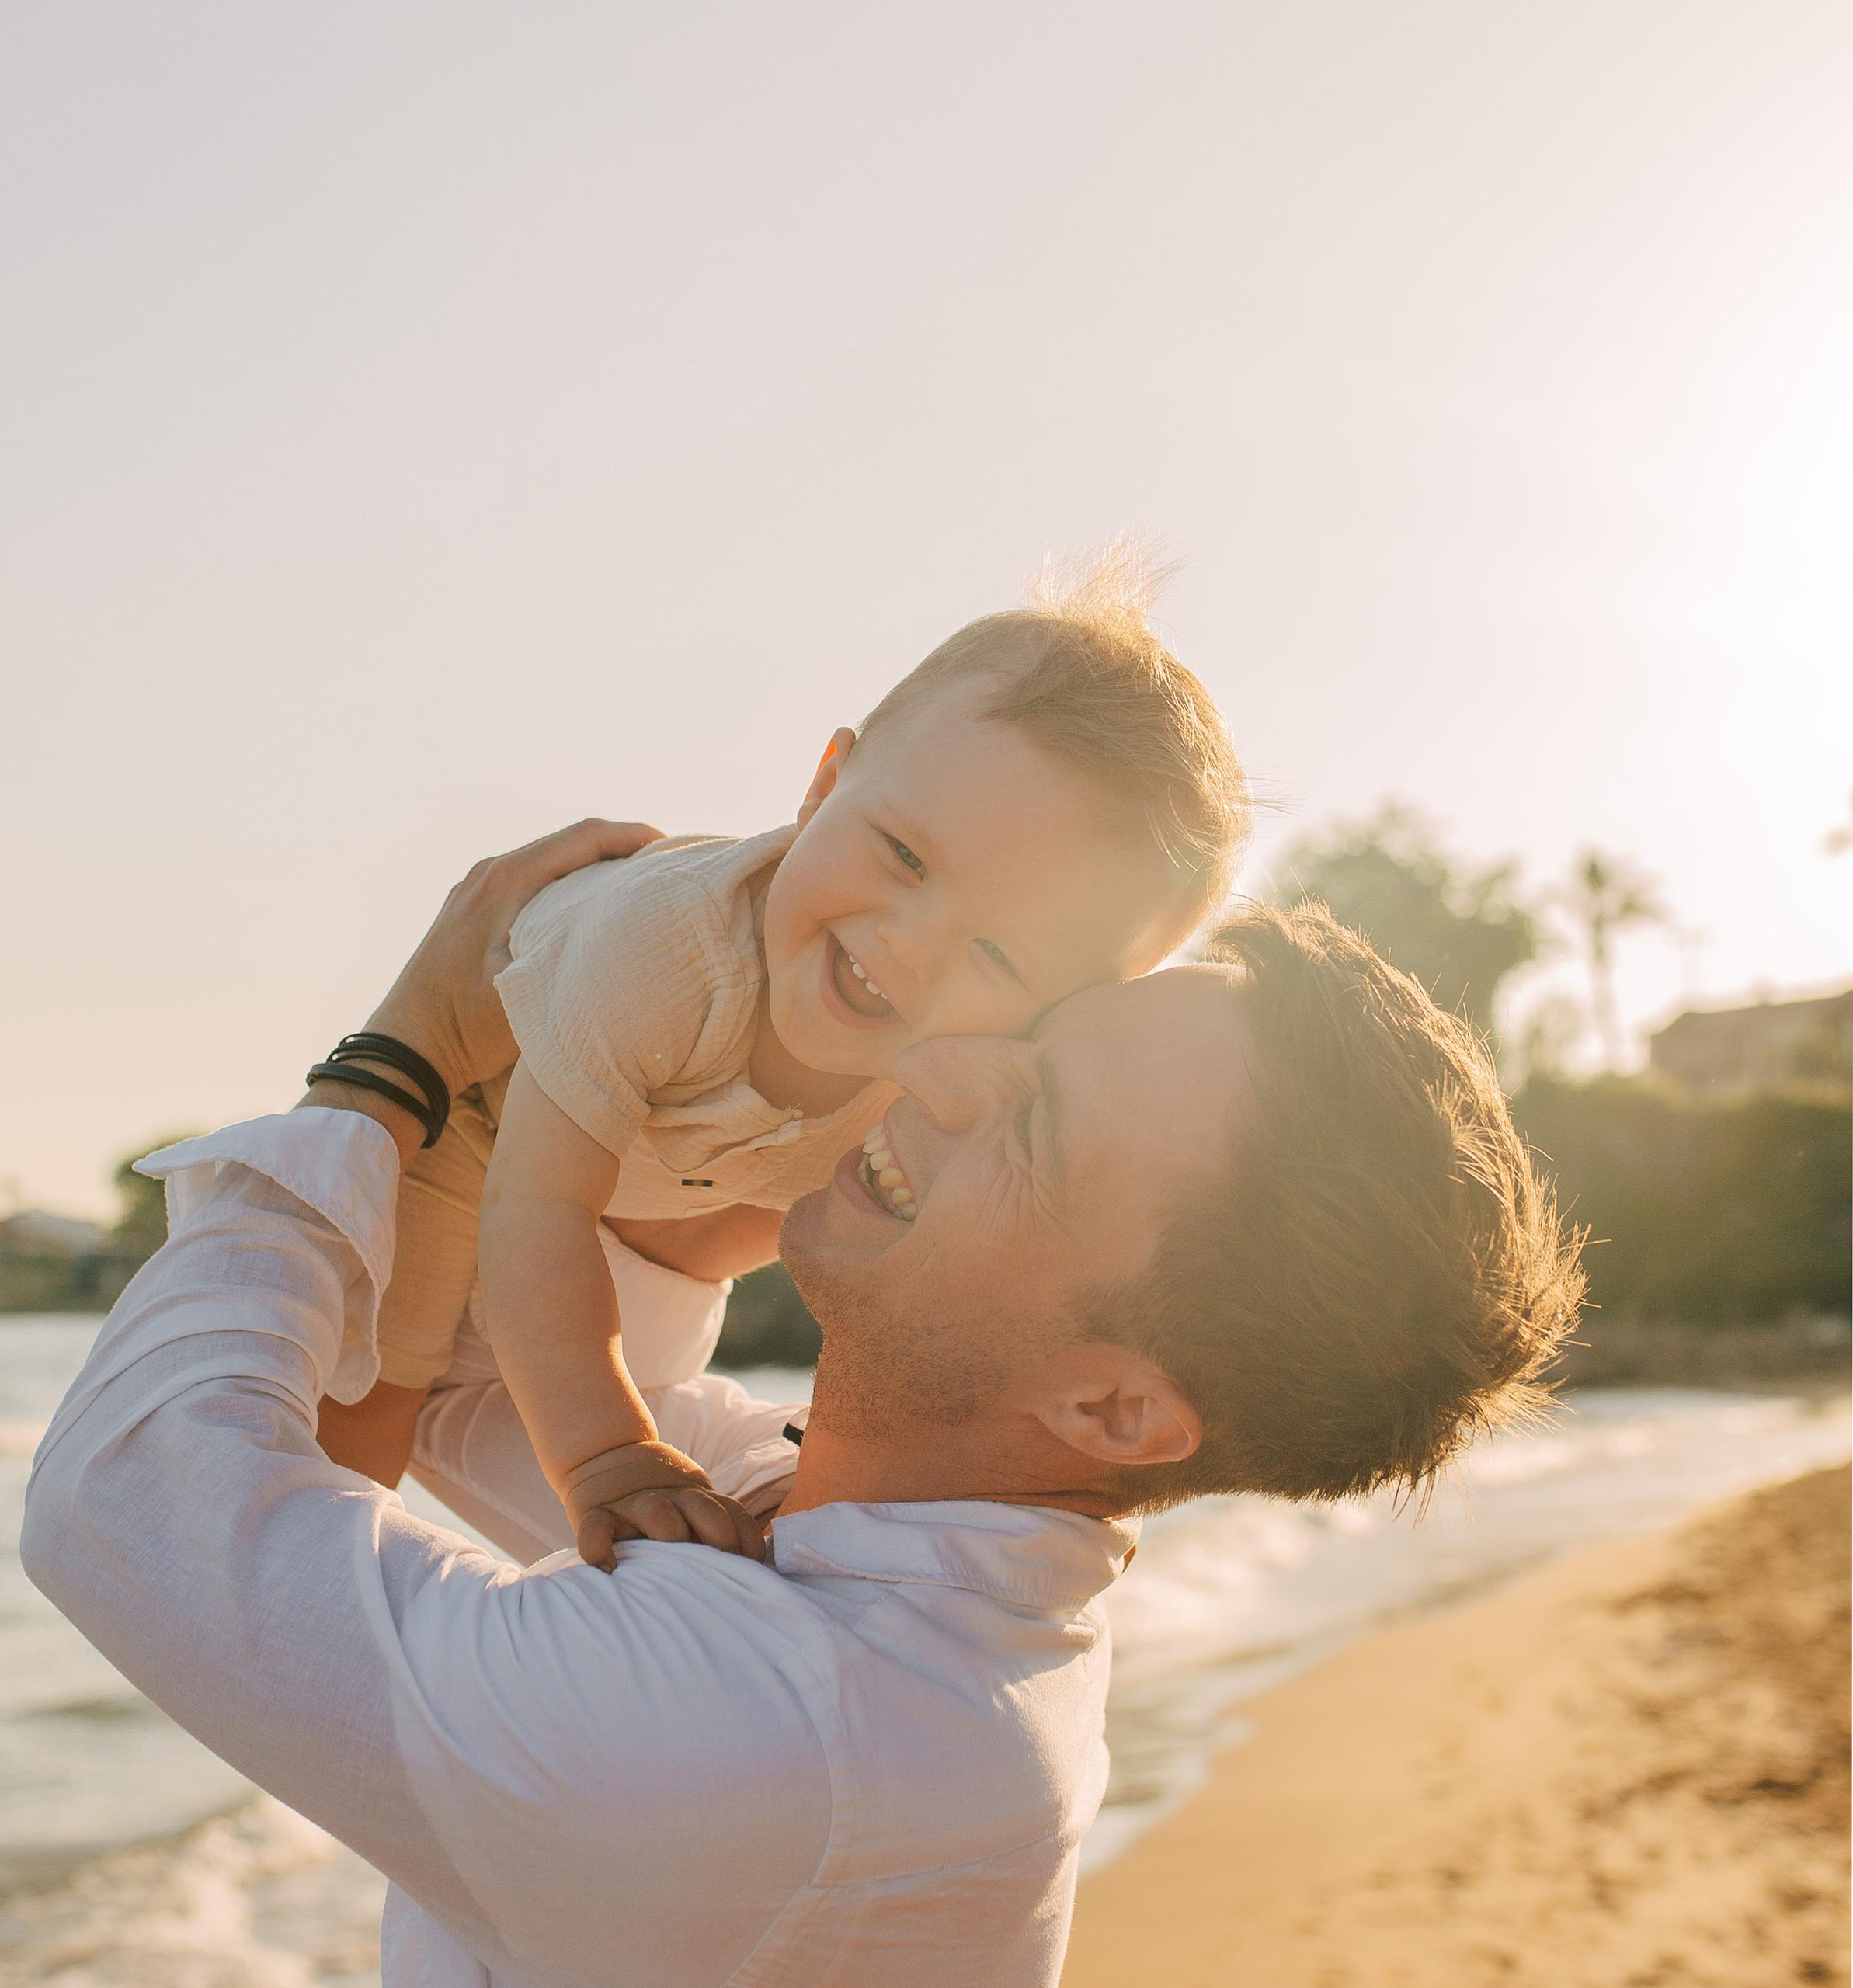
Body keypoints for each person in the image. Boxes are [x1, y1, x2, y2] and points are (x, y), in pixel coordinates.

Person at [23, 819, 1582, 1987]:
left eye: (1029, 1120)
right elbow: (468, 1383)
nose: (945, 1068)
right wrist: (675, 1115)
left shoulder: (781, 1739)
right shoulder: (877, 1580)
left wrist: (400, 1053)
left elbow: (127, 1499)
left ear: (1114, 1407)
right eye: (1026, 1038)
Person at [322, 551, 1251, 1567]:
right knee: (372, 1388)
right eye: (904, 855)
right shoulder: (660, 952)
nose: (909, 944)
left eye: (995, 953)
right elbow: (535, 1206)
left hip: (658, 1212)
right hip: (476, 1135)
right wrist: (611, 1461)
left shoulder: (968, 1065)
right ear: (824, 784)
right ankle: (312, 1592)